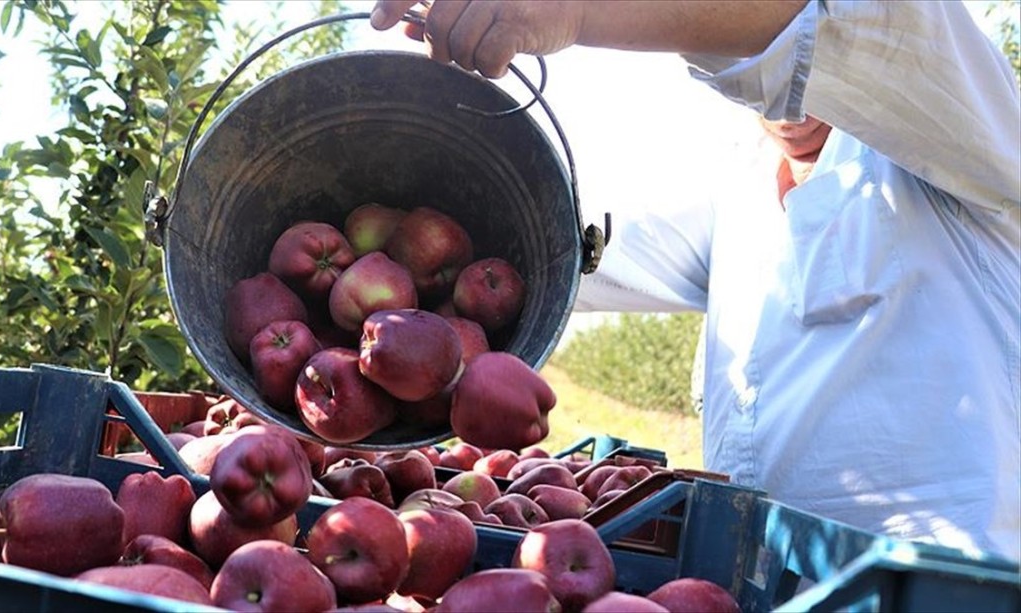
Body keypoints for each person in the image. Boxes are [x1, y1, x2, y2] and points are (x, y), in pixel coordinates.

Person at [371, 0, 1021, 561]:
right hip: (760, 580)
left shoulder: (968, 133)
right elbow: (567, 254)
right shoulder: (740, 189)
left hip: (939, 583)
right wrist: (407, 223)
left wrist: (568, 13)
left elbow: (835, 25)